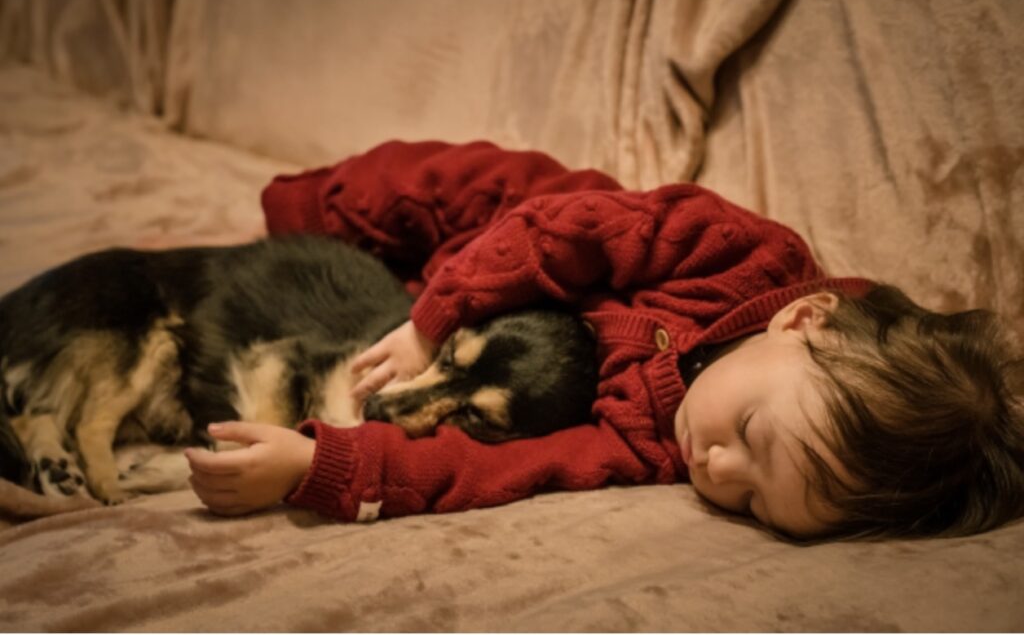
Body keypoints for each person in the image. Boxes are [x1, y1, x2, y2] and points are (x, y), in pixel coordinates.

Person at [185, 140, 1024, 539]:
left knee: (351, 306)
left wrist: (323, 464)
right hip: (510, 228)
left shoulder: (648, 442)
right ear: (802, 322)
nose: (716, 468)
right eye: (753, 438)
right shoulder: (742, 254)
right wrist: (428, 323)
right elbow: (562, 230)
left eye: (757, 502)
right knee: (388, 196)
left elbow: (494, 468)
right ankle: (300, 202)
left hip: (500, 332)